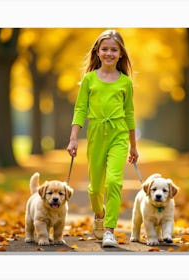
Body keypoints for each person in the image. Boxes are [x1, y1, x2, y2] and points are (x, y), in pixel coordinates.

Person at [67, 29, 139, 247]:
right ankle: (99, 214)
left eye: (114, 49)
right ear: (97, 52)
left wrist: (133, 146)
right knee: (95, 188)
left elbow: (129, 114)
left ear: (121, 54)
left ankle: (109, 230)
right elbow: (80, 109)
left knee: (114, 181)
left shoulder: (125, 82)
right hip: (96, 133)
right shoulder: (89, 79)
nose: (109, 53)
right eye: (105, 49)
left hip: (118, 133)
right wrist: (73, 138)